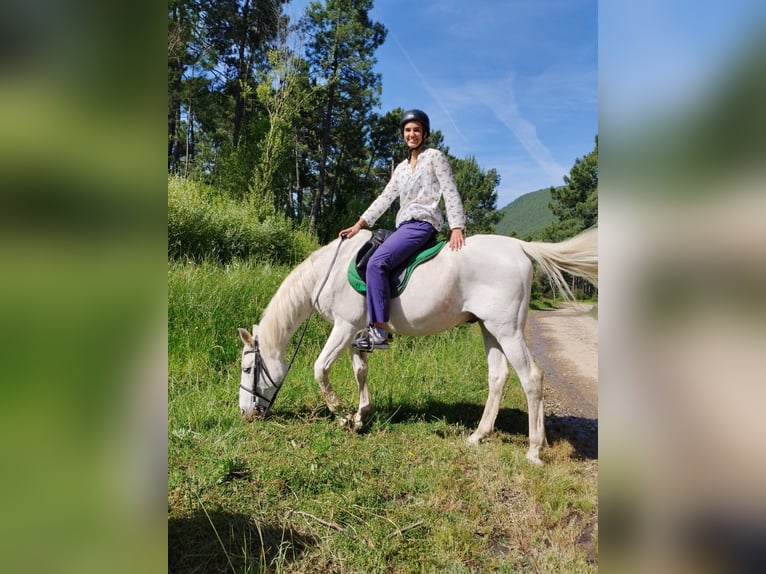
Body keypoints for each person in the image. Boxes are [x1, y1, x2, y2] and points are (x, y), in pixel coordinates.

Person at [339, 109, 466, 352]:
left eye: (417, 130)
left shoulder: (434, 157)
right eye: (408, 130)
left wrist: (457, 226)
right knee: (374, 258)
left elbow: (450, 190)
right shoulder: (400, 169)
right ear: (403, 135)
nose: (412, 134)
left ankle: (379, 331)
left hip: (423, 223)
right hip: (403, 225)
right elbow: (385, 198)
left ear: (425, 133)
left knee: (377, 263)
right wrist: (359, 225)